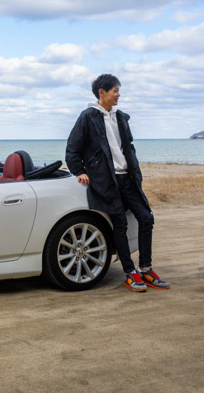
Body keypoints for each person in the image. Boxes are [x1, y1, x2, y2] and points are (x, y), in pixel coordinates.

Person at [66, 74, 169, 292]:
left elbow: (128, 148)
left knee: (146, 218)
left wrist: (137, 176)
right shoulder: (88, 117)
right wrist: (79, 171)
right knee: (120, 225)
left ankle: (146, 268)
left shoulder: (120, 117)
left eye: (118, 90)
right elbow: (72, 149)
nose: (118, 94)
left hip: (128, 178)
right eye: (115, 90)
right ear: (101, 92)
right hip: (106, 181)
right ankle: (130, 273)